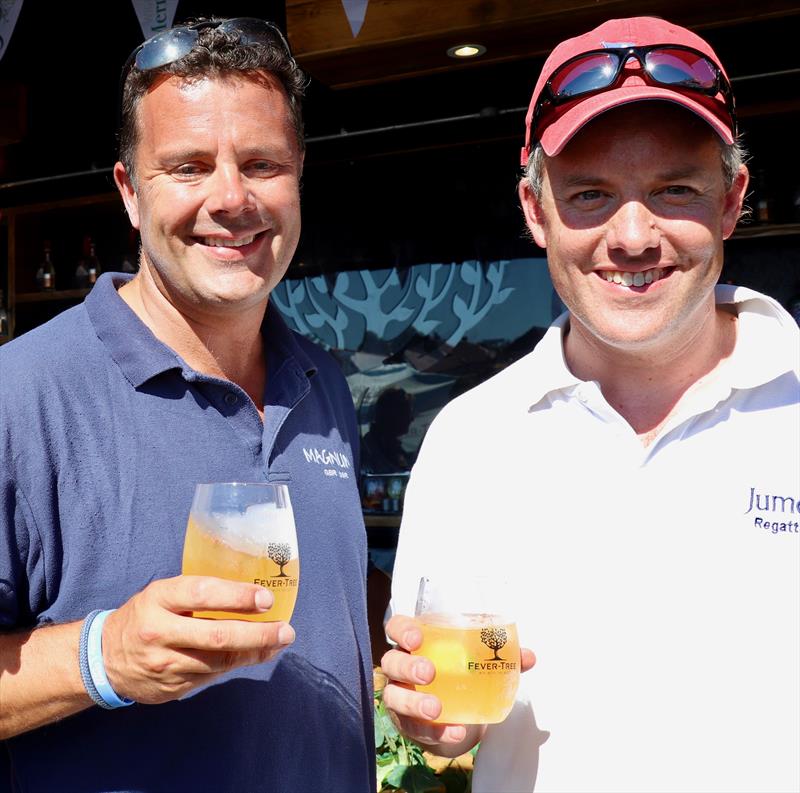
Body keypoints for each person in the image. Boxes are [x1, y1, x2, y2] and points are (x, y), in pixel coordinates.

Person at [382, 16, 799, 793]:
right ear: (536, 211)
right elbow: (449, 708)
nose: (632, 235)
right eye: (590, 195)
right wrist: (437, 718)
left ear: (733, 199)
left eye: (674, 189)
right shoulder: (469, 440)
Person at [0, 18, 375, 791]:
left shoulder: (323, 383)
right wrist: (103, 655)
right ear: (130, 192)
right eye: (188, 167)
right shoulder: (22, 393)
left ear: (298, 175)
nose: (231, 198)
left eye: (262, 163)